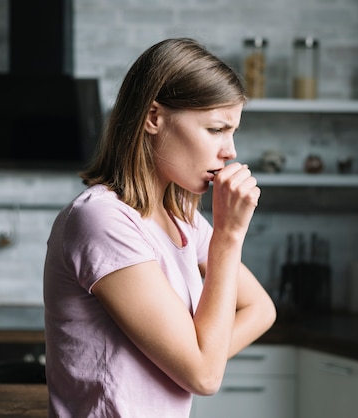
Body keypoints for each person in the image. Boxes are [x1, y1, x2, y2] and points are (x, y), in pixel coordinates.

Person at [43, 38, 277, 417]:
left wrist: (201, 354)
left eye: (232, 131)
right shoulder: (102, 220)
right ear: (153, 118)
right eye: (216, 129)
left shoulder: (182, 217)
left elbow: (260, 309)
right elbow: (204, 378)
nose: (230, 150)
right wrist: (229, 236)